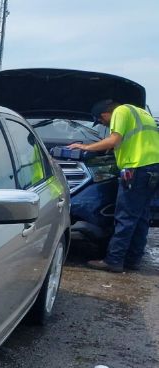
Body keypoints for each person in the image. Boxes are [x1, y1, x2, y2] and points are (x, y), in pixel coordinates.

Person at [67, 99, 159, 272]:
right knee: (141, 217)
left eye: (101, 121)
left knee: (125, 216)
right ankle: (133, 259)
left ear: (105, 114)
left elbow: (113, 140)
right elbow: (134, 140)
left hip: (136, 168)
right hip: (153, 168)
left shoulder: (120, 112)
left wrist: (85, 147)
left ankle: (114, 260)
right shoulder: (141, 113)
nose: (103, 124)